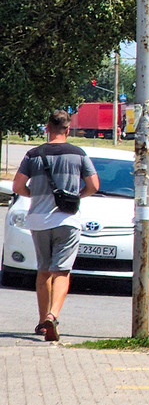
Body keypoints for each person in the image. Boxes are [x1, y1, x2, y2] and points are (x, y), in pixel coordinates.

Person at [12, 110, 99, 341]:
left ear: (47, 128)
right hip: (67, 220)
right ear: (68, 130)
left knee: (43, 271)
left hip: (39, 221)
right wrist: (77, 195)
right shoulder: (78, 154)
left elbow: (18, 186)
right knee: (61, 271)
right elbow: (94, 185)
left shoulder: (33, 155)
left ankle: (42, 323)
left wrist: (35, 194)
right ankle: (53, 315)